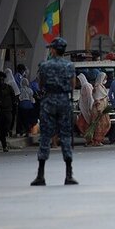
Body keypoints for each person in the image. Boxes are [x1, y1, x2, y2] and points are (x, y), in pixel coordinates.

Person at [30, 37, 78, 186]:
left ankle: (40, 175)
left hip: (49, 102)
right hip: (64, 101)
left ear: (54, 49)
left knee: (45, 136)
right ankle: (69, 175)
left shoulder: (44, 65)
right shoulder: (69, 66)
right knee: (65, 136)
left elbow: (41, 83)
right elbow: (72, 85)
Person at [0, 72, 17, 152]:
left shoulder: (9, 88)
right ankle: (4, 146)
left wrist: (14, 109)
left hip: (8, 111)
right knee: (1, 130)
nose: (0, 81)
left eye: (2, 79)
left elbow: (14, 99)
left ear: (4, 79)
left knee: (6, 129)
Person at [90, 72, 111, 145]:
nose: (106, 80)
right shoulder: (98, 87)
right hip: (99, 109)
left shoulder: (101, 86)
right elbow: (97, 99)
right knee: (99, 125)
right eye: (105, 78)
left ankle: (98, 139)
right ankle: (97, 140)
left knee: (105, 124)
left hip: (103, 108)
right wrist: (99, 110)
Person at [75, 73, 94, 142]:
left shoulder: (86, 86)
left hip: (87, 109)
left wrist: (90, 107)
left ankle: (90, 140)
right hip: (84, 110)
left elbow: (90, 97)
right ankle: (88, 139)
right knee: (82, 124)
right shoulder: (84, 86)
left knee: (86, 125)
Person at [4, 68, 20, 136]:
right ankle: (10, 130)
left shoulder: (4, 83)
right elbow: (17, 93)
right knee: (12, 117)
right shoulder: (13, 82)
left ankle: (6, 130)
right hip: (13, 104)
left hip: (6, 104)